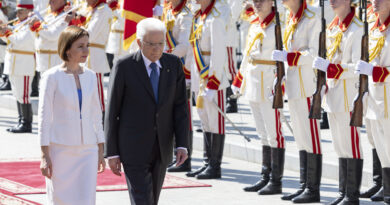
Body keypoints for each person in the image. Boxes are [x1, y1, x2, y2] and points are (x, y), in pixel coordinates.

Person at [105, 18, 189, 205]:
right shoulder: (124, 66)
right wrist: (111, 152)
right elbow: (112, 110)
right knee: (142, 200)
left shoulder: (173, 64)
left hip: (162, 147)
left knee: (152, 199)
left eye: (161, 44)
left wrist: (182, 144)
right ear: (138, 42)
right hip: (133, 148)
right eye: (151, 44)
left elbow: (180, 107)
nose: (157, 49)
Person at [38, 26, 106, 205]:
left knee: (86, 199)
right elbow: (44, 117)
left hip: (88, 150)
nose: (86, 50)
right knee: (60, 199)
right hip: (60, 150)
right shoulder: (51, 77)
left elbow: (96, 114)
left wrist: (100, 149)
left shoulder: (91, 76)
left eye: (87, 45)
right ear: (67, 49)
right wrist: (44, 155)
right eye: (80, 46)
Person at [232, 0, 286, 195]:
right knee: (262, 133)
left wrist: (280, 85)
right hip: (254, 83)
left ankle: (276, 180)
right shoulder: (255, 24)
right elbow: (247, 56)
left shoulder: (279, 26)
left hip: (270, 85)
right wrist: (239, 81)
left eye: (261, 1)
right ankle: (265, 176)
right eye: (254, 1)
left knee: (274, 134)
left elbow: (284, 61)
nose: (256, 4)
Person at [312, 1, 363, 203]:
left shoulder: (357, 29)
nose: (332, 1)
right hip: (333, 95)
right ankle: (343, 192)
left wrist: (332, 69)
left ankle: (352, 194)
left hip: (348, 96)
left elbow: (358, 66)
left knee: (351, 144)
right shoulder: (333, 27)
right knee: (340, 145)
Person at [271, 0, 322, 202]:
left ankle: (313, 188)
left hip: (307, 86)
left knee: (311, 137)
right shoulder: (289, 18)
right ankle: (304, 185)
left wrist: (289, 57)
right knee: (300, 137)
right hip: (292, 85)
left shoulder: (312, 17)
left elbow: (314, 54)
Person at [185, 0, 230, 180]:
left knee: (215, 121)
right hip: (198, 72)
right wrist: (188, 74)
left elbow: (218, 52)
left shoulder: (216, 18)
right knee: (204, 119)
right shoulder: (199, 17)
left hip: (212, 74)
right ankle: (206, 162)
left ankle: (215, 165)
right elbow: (192, 47)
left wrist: (213, 82)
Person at [355, 0, 390, 203]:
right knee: (380, 145)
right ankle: (385, 186)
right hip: (375, 99)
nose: (374, 2)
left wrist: (375, 72)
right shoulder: (375, 29)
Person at [162, 0, 194, 173]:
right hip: (167, 66)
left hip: (180, 68)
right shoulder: (169, 12)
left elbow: (184, 46)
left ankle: (185, 159)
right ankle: (175, 156)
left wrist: (162, 55)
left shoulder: (186, 15)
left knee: (183, 114)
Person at [0, 0, 35, 133]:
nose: (18, 13)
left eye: (21, 11)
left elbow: (21, 41)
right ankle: (20, 120)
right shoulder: (18, 24)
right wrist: (3, 34)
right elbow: (11, 42)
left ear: (28, 11)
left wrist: (8, 33)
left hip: (24, 63)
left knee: (24, 94)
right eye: (18, 11)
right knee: (17, 93)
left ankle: (26, 123)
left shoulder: (30, 25)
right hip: (14, 62)